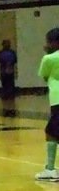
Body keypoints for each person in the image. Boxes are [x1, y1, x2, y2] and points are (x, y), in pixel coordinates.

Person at [36, 27, 59, 182]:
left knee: (51, 132)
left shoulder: (49, 59)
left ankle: (50, 169)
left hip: (57, 99)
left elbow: (44, 76)